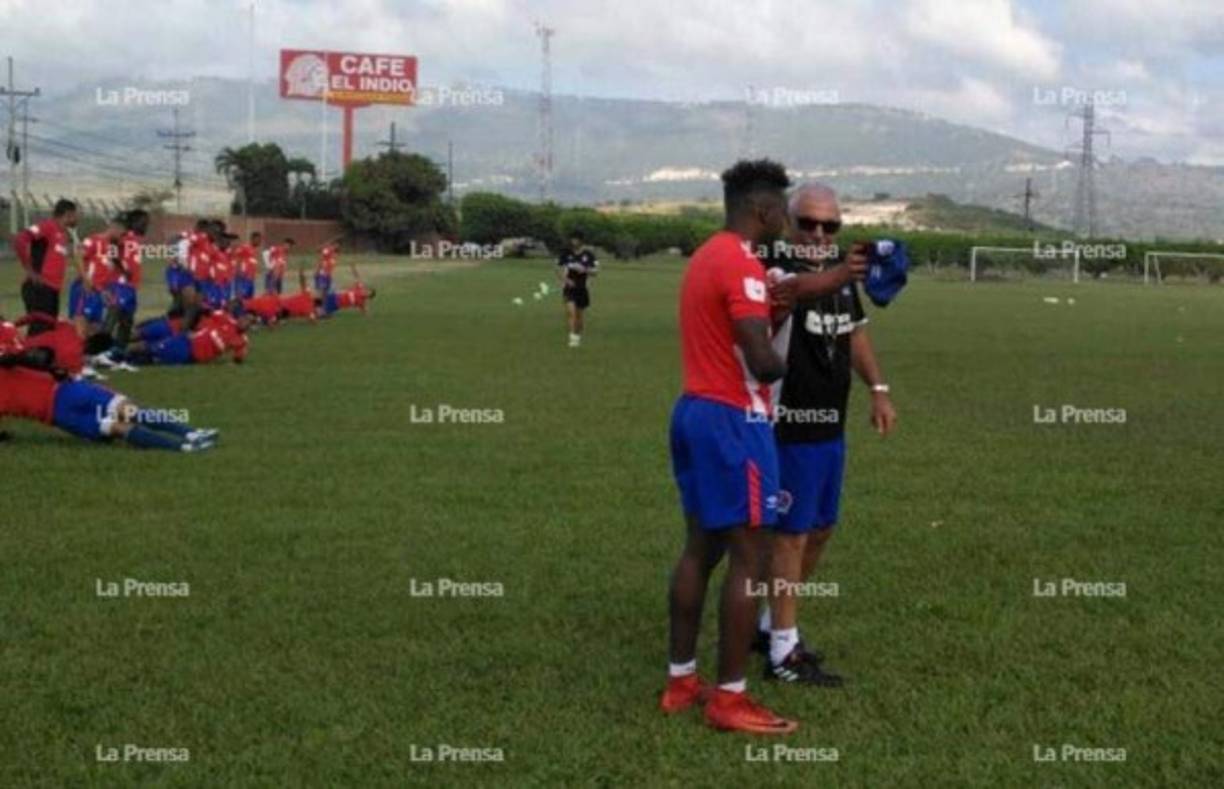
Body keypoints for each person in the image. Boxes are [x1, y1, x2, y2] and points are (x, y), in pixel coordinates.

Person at [661, 159, 797, 734]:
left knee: (701, 547)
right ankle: (731, 698)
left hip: (693, 410)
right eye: (784, 208)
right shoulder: (742, 263)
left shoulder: (707, 253)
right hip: (734, 422)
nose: (788, 217)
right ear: (764, 210)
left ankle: (682, 679)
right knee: (752, 556)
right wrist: (789, 354)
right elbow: (762, 361)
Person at [756, 182, 893, 687]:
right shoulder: (772, 264)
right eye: (807, 223)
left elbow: (853, 332)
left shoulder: (838, 278)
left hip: (829, 424)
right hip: (787, 424)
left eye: (829, 226)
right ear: (789, 224)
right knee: (789, 535)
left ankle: (770, 622)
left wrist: (878, 388)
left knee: (820, 528)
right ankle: (783, 653)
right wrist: (840, 271)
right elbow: (787, 294)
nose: (818, 233)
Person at [0, 326, 217, 451]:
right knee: (123, 417)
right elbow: (22, 356)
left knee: (122, 417)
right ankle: (187, 439)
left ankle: (189, 437)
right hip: (62, 397)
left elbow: (19, 356)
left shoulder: (7, 343)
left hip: (62, 401)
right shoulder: (8, 341)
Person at [12, 199, 78, 334]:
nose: (77, 218)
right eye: (75, 215)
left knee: (48, 331)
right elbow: (20, 239)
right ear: (68, 214)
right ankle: (26, 354)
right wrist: (30, 271)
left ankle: (41, 354)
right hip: (40, 288)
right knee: (39, 330)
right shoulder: (47, 226)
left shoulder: (63, 235)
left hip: (52, 290)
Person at [556, 231, 598, 348]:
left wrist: (584, 270)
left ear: (581, 240)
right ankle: (572, 338)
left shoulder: (588, 254)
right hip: (569, 288)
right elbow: (558, 269)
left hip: (582, 289)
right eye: (572, 239)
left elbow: (595, 272)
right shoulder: (566, 253)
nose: (573, 241)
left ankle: (577, 336)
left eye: (576, 239)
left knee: (579, 315)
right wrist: (566, 280)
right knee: (571, 312)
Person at [232, 231, 262, 300]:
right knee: (241, 298)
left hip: (250, 279)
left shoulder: (254, 250)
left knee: (249, 299)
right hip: (243, 278)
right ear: (252, 239)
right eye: (258, 240)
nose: (259, 242)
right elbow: (237, 258)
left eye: (260, 240)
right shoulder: (245, 247)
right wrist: (239, 272)